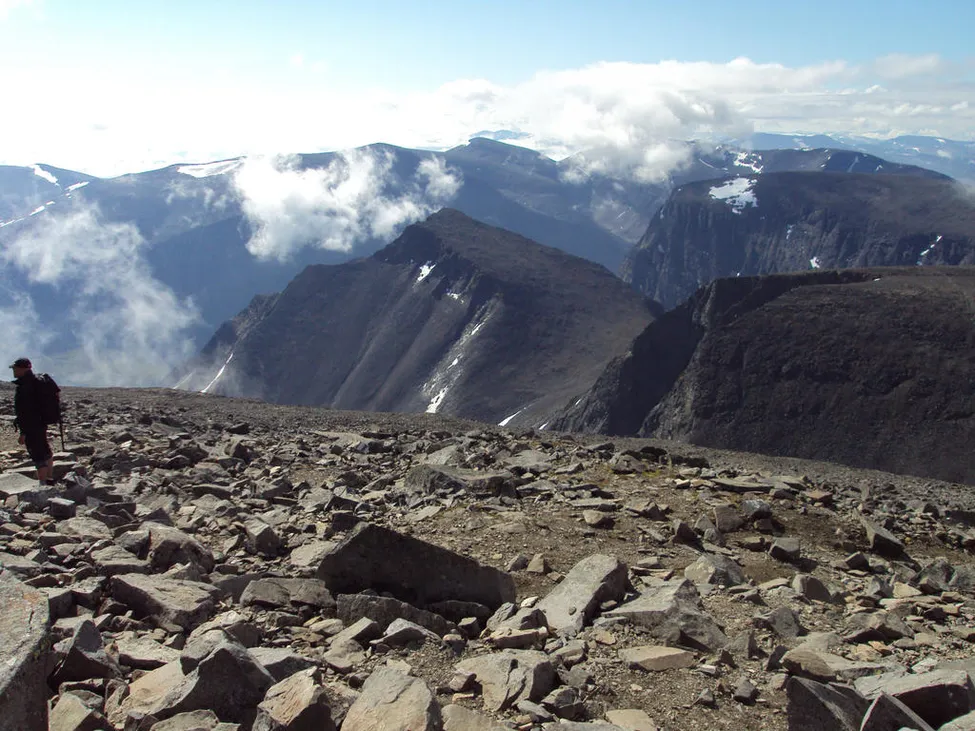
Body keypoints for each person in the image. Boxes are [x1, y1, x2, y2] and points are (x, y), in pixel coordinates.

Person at [10, 357, 55, 486]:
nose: (13, 370)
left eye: (15, 368)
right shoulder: (36, 382)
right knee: (45, 450)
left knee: (37, 454)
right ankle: (50, 479)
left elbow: (26, 412)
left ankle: (43, 486)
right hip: (41, 423)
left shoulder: (25, 386)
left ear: (22, 369)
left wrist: (23, 432)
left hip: (31, 426)